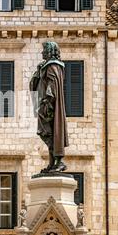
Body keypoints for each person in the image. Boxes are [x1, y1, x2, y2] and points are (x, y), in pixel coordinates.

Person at [30, 42, 69, 173]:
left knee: (51, 133)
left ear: (50, 51)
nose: (42, 53)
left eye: (44, 50)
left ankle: (59, 162)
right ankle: (53, 163)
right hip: (44, 105)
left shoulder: (53, 66)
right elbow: (34, 85)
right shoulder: (46, 67)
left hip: (48, 106)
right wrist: (38, 72)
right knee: (49, 133)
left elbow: (52, 86)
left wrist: (48, 102)